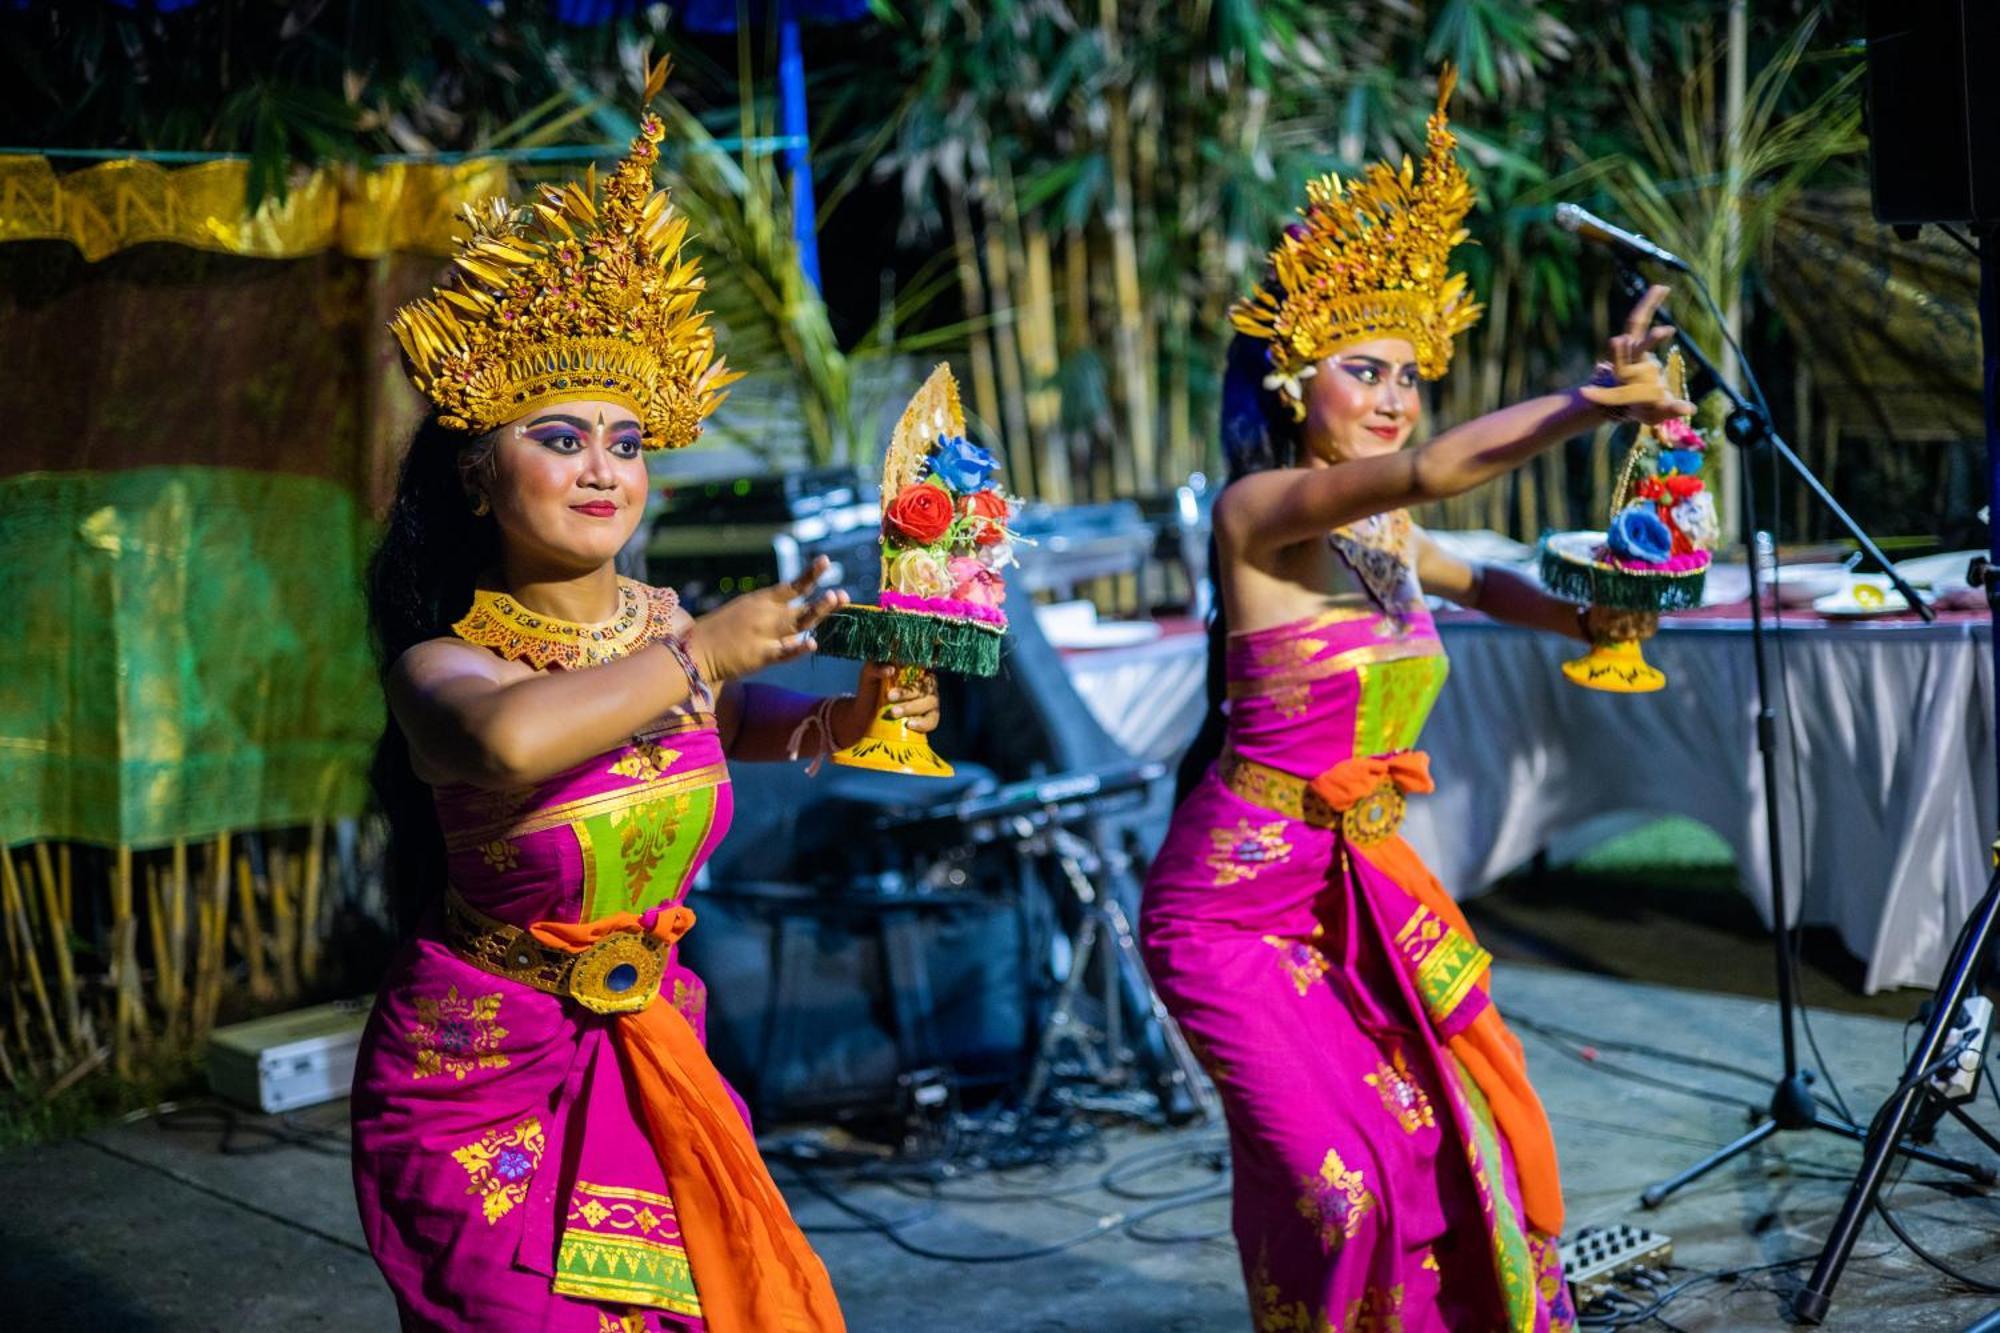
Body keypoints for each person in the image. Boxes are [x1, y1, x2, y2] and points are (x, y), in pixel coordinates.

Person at [349, 62, 918, 1333]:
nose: (603, 469)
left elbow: (716, 727)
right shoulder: (447, 665)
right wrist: (706, 653)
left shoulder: (662, 630)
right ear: (476, 479)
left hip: (649, 1043)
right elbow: (506, 744)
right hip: (475, 1080)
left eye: (627, 439)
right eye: (559, 438)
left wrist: (855, 706)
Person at [1140, 69, 1692, 1333]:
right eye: (1359, 368)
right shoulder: (1257, 513)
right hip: (1226, 914)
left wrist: (1593, 612)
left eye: (1405, 372)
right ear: (1292, 385)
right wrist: (1584, 402)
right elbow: (1439, 470)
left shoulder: (1379, 525)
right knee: (1340, 1191)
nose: (1390, 395)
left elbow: (1486, 579)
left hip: (1352, 886)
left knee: (1444, 1145)